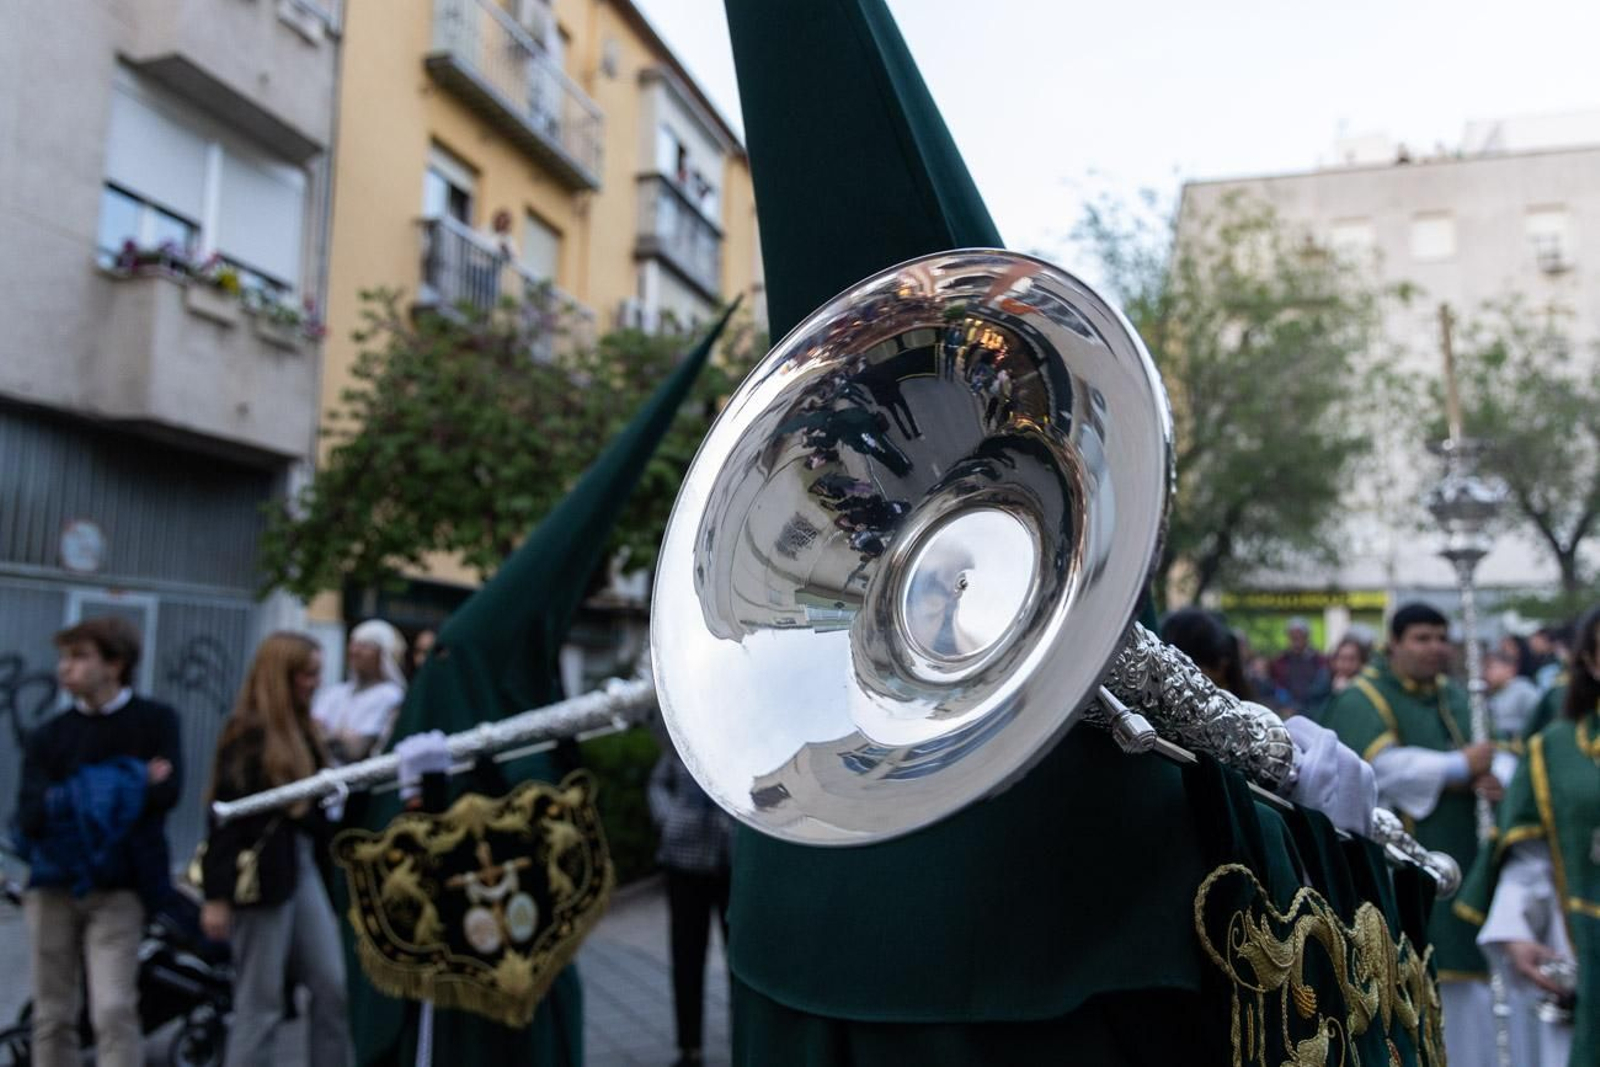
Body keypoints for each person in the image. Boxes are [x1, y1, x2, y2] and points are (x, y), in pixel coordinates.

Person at [1323, 602, 1510, 1067]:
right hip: (1397, 867)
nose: (1435, 648)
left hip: (1470, 858)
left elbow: (1499, 750)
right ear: (1395, 645)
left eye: (1441, 638)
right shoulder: (1362, 697)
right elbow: (1379, 769)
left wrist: (1496, 776)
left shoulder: (1459, 695)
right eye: (1422, 639)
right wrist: (1460, 767)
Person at [13, 617, 182, 1067]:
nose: (65, 669)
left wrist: (70, 795)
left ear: (115, 664)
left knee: (112, 1007)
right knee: (52, 1012)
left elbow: (168, 793)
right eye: (65, 657)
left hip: (119, 890)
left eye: (79, 656)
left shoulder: (154, 722)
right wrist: (129, 781)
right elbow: (30, 815)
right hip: (53, 886)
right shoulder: (50, 735)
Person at [199, 632, 351, 1067]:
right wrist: (216, 896)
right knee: (260, 1001)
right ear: (282, 677)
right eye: (308, 673)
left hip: (301, 866)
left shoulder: (306, 729)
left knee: (332, 985)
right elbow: (224, 818)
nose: (316, 682)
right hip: (260, 875)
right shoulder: (248, 734)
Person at [1469, 603, 1600, 1067]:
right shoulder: (1556, 750)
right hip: (1583, 947)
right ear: (1589, 661)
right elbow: (1531, 858)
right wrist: (1516, 930)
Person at [649, 744, 735, 1067]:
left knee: (737, 957)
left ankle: (742, 1037)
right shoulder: (682, 741)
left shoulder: (742, 745)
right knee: (686, 955)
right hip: (684, 863)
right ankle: (689, 1048)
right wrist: (668, 819)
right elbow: (657, 783)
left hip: (731, 863)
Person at [312, 618, 407, 765]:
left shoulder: (391, 696)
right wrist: (339, 737)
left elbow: (356, 750)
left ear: (383, 655)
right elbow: (310, 731)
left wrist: (325, 734)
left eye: (365, 645)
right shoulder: (335, 692)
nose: (354, 650)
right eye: (354, 643)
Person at [1269, 617, 1329, 715]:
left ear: (1306, 636)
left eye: (1299, 635)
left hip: (1313, 709)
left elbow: (1321, 688)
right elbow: (1277, 686)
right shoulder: (1280, 661)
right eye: (1293, 636)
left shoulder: (1319, 660)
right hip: (1288, 710)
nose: (1296, 639)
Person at [1484, 647, 1542, 740]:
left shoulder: (1524, 690)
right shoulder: (1493, 695)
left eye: (1491, 667)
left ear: (1509, 668)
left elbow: (1538, 721)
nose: (1486, 673)